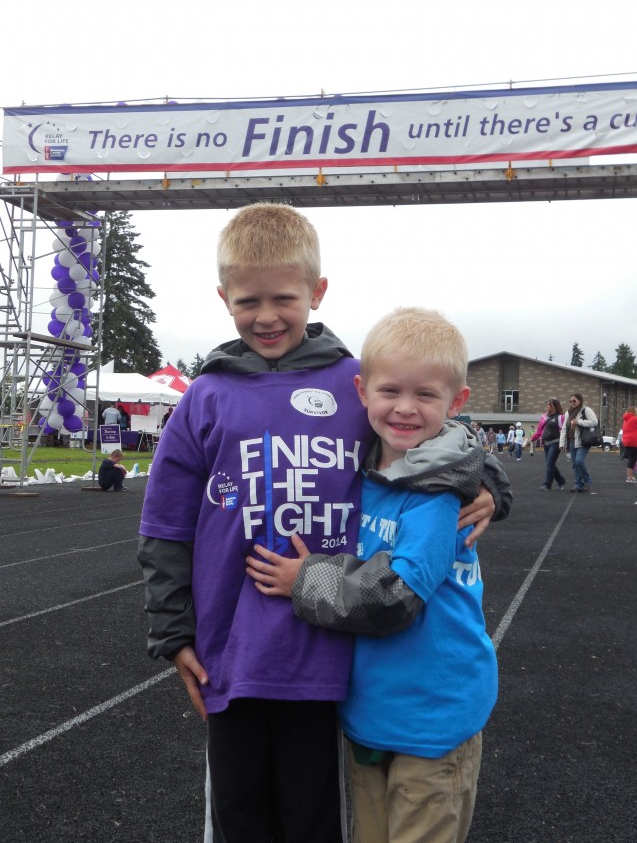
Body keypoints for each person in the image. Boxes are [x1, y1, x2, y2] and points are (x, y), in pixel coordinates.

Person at [136, 203, 512, 843]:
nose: (266, 315)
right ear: (223, 297)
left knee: (314, 819)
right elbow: (165, 526)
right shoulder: (206, 396)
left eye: (284, 297)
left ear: (318, 290)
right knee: (240, 816)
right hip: (232, 649)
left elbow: (435, 434)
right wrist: (174, 635)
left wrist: (490, 486)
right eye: (247, 300)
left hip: (328, 653)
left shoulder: (358, 385)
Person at [246, 308, 499, 843]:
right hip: (374, 717)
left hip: (430, 723)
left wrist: (304, 579)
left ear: (456, 403)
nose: (405, 408)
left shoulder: (434, 498)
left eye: (425, 395)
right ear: (361, 391)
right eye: (390, 391)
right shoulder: (365, 472)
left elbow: (394, 599)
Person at [559, 392, 598, 493]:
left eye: (574, 401)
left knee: (579, 461)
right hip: (571, 441)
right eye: (570, 401)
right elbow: (564, 428)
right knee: (575, 464)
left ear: (580, 401)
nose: (572, 402)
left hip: (583, 441)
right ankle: (578, 484)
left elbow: (594, 422)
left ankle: (587, 480)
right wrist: (562, 443)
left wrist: (579, 422)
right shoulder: (568, 412)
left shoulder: (586, 410)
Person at [531, 399, 566, 491]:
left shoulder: (561, 417)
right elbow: (539, 431)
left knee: (550, 463)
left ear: (554, 406)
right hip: (546, 443)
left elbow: (564, 431)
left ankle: (547, 485)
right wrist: (531, 439)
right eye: (547, 405)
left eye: (549, 405)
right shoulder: (544, 417)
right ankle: (561, 480)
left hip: (556, 442)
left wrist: (564, 444)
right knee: (550, 464)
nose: (547, 407)